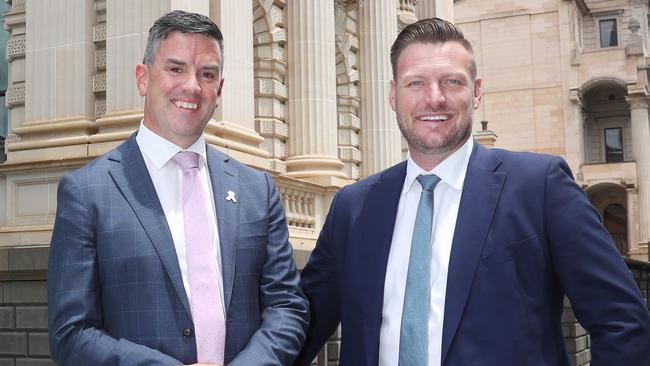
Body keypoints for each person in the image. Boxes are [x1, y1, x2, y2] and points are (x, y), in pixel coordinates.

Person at [295, 17, 650, 366]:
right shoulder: (352, 208)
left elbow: (623, 323)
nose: (434, 99)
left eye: (451, 81)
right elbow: (298, 326)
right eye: (415, 83)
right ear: (393, 95)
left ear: (477, 91)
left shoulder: (540, 186)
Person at [48, 10, 308, 366]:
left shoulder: (256, 190)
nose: (192, 86)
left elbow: (287, 305)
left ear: (219, 88)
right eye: (176, 68)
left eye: (207, 74)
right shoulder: (87, 192)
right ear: (143, 78)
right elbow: (71, 333)